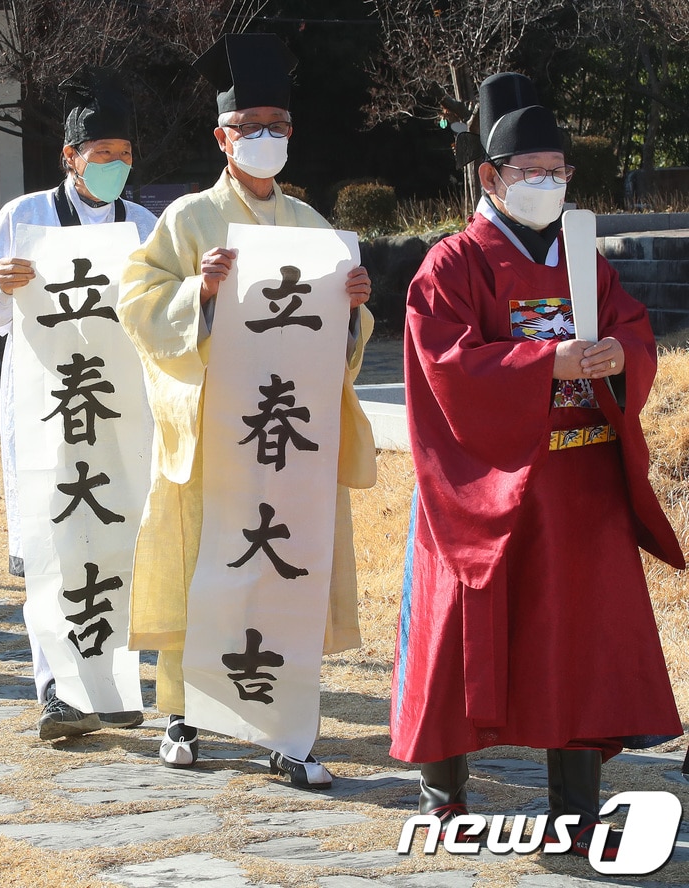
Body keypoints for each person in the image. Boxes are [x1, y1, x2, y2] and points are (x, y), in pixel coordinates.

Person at [394, 72, 684, 859]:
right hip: (482, 480)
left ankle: (577, 809)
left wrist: (619, 354)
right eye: (532, 172)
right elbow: (445, 363)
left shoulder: (581, 256)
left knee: (578, 639)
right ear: (491, 178)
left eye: (559, 171)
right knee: (460, 631)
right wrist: (543, 364)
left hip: (579, 481)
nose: (548, 184)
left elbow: (632, 329)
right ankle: (444, 796)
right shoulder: (451, 264)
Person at [119, 33, 375, 783]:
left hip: (290, 438)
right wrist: (197, 291)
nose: (266, 137)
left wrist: (354, 308)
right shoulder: (188, 219)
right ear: (221, 137)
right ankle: (182, 715)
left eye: (278, 125)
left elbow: (342, 338)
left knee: (282, 569)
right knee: (206, 566)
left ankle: (285, 725)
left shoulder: (313, 225)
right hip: (216, 432)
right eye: (250, 126)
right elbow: (138, 303)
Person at [0, 67, 155, 739]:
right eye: (102, 154)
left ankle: (112, 684)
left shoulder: (142, 224)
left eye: (124, 154)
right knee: (55, 538)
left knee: (113, 536)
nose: (115, 165)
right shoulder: (25, 216)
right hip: (47, 401)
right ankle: (57, 690)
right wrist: (3, 282)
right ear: (70, 157)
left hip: (115, 406)